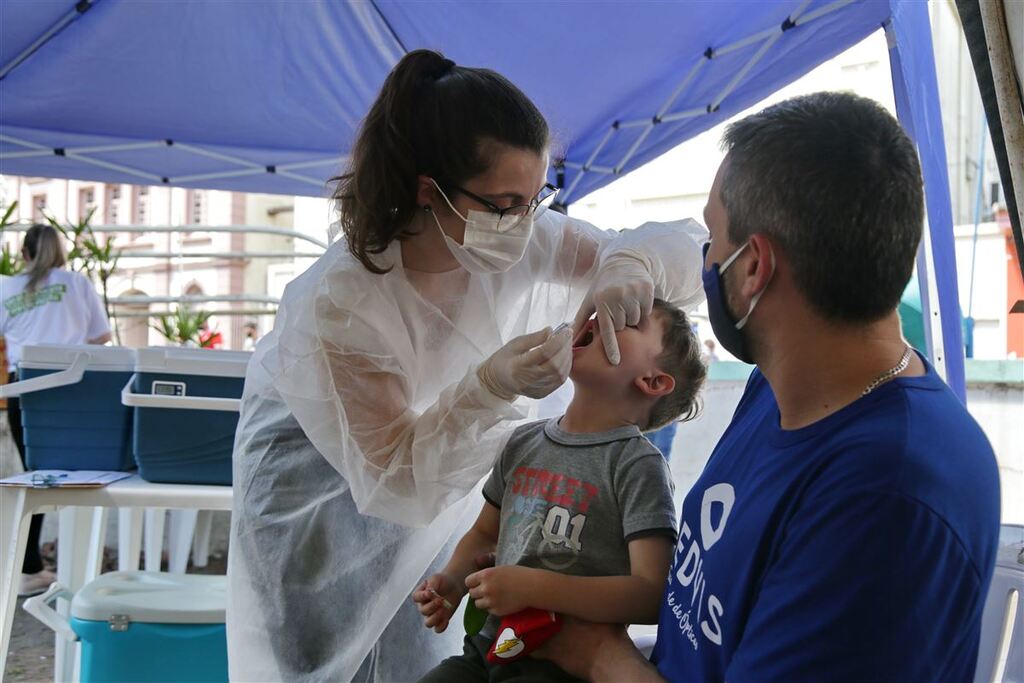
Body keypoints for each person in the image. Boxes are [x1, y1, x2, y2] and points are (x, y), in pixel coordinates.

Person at [226, 50, 706, 682]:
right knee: (322, 657)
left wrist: (630, 263)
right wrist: (487, 387)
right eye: (506, 203)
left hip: (433, 477)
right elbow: (396, 480)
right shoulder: (343, 301)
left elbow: (693, 254)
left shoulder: (525, 236)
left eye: (537, 198)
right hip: (316, 489)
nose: (525, 223)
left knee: (417, 650)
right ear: (429, 191)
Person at [535, 92, 1001, 682]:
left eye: (713, 237)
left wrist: (595, 653)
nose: (705, 258)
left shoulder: (890, 496)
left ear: (754, 266)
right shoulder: (781, 387)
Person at [414, 299, 706, 682]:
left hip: (559, 666)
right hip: (485, 649)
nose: (603, 317)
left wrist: (534, 588)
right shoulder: (523, 442)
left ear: (652, 381)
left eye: (630, 321)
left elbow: (651, 595)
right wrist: (452, 581)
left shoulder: (637, 466)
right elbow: (485, 533)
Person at [0, 223, 111, 596]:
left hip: (25, 386)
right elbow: (101, 336)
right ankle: (79, 565)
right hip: (73, 387)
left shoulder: (7, 287)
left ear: (24, 254)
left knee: (36, 475)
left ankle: (28, 566)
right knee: (80, 475)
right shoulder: (77, 284)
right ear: (60, 252)